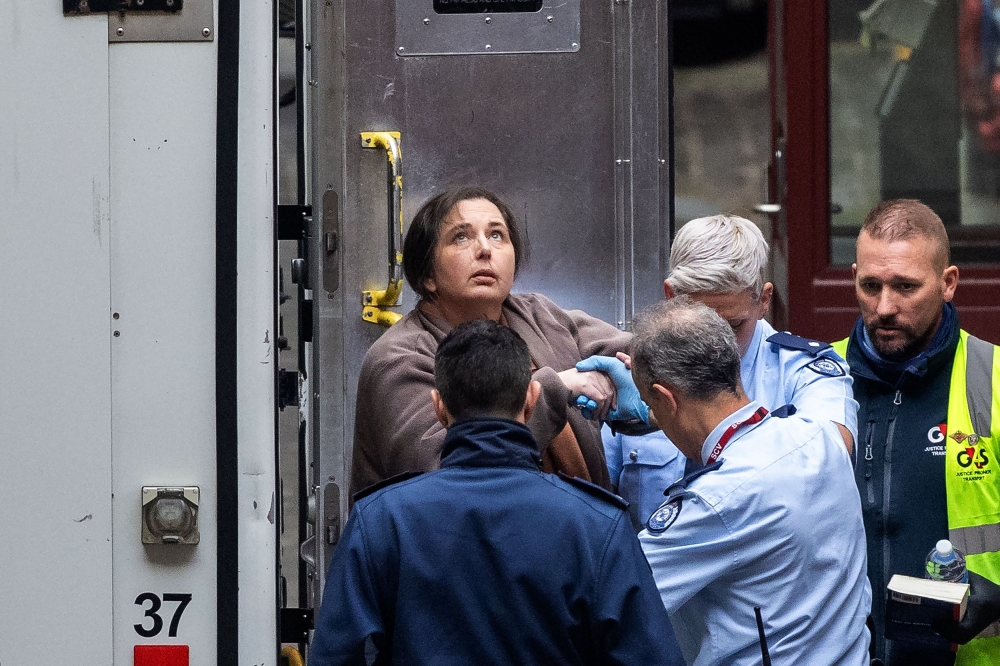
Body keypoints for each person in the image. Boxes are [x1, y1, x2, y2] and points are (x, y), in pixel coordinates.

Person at [310, 320, 681, 665]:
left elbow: (337, 656)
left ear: (438, 406)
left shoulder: (380, 521)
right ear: (533, 398)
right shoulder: (597, 524)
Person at [633, 297, 871, 666]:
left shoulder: (715, 502)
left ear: (667, 397)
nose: (653, 417)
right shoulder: (822, 439)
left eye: (652, 403)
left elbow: (612, 597)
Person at [350, 186, 629, 498]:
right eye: (461, 237)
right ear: (427, 274)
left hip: (573, 533)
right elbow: (444, 476)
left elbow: (642, 353)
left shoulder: (538, 315)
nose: (484, 249)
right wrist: (557, 388)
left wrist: (639, 383)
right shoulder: (400, 357)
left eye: (497, 235)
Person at [586, 214, 858, 528]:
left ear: (764, 300)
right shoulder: (637, 370)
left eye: (732, 325)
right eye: (699, 322)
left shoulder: (805, 371)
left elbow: (831, 459)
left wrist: (662, 418)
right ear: (671, 297)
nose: (716, 344)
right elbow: (599, 505)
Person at [832, 199, 1000, 665]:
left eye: (906, 286)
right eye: (871, 286)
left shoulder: (995, 379)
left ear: (948, 284)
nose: (885, 306)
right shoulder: (817, 380)